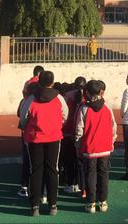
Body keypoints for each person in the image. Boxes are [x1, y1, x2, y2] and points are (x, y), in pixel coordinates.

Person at [19, 70, 68, 216]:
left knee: (36, 170)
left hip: (35, 138)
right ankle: (53, 205)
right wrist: (56, 125)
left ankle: (35, 206)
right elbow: (65, 115)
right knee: (52, 170)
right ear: (52, 82)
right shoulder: (59, 98)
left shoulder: (31, 98)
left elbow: (23, 116)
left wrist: (27, 126)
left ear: (39, 81)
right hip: (53, 138)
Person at [75, 80, 117, 214]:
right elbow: (113, 127)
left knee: (90, 175)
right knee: (104, 174)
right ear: (101, 92)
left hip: (90, 148)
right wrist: (111, 142)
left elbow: (79, 130)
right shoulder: (107, 107)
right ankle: (103, 202)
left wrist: (78, 145)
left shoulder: (84, 108)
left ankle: (91, 203)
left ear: (87, 93)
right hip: (104, 148)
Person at [62, 76, 86, 194]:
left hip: (67, 132)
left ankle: (71, 183)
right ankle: (82, 186)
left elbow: (63, 114)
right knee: (81, 161)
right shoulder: (87, 97)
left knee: (69, 160)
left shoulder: (67, 96)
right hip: (81, 133)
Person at [16, 81, 38, 198]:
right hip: (39, 136)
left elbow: (20, 115)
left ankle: (25, 187)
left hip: (27, 136)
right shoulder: (41, 101)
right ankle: (39, 190)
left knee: (27, 161)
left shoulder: (25, 101)